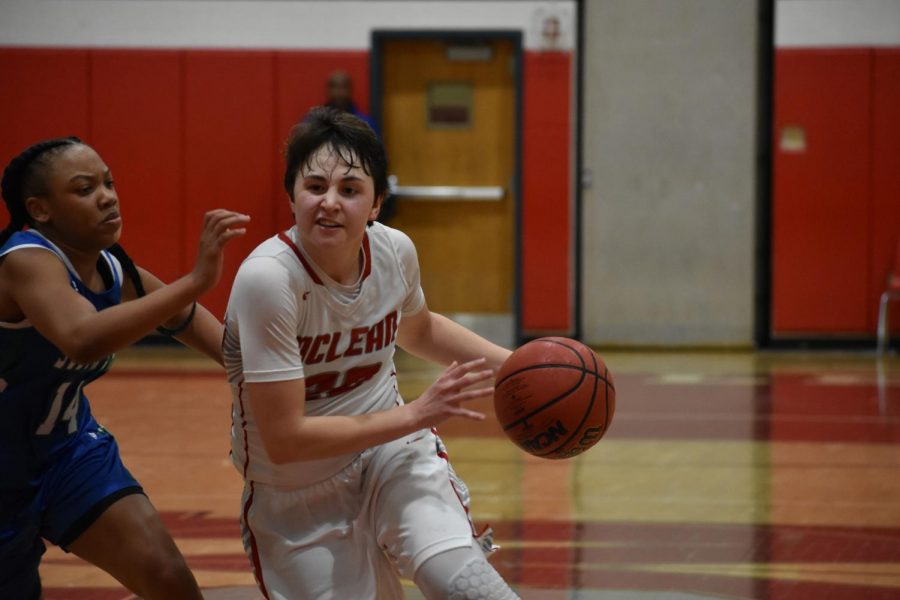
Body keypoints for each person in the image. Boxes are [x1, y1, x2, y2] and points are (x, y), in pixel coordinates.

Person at [224, 107, 519, 599]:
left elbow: (419, 329)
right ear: (291, 194)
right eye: (314, 186)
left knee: (470, 588)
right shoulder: (268, 279)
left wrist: (518, 367)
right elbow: (285, 438)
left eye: (350, 189)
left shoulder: (394, 251)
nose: (329, 203)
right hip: (294, 488)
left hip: (390, 453)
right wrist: (419, 413)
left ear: (377, 203)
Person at [0, 136, 250, 599]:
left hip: (68, 452)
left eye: (108, 183)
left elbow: (182, 318)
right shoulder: (24, 260)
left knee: (169, 579)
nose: (107, 196)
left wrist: (257, 373)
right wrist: (195, 280)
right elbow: (82, 339)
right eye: (84, 188)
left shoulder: (113, 269)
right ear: (40, 210)